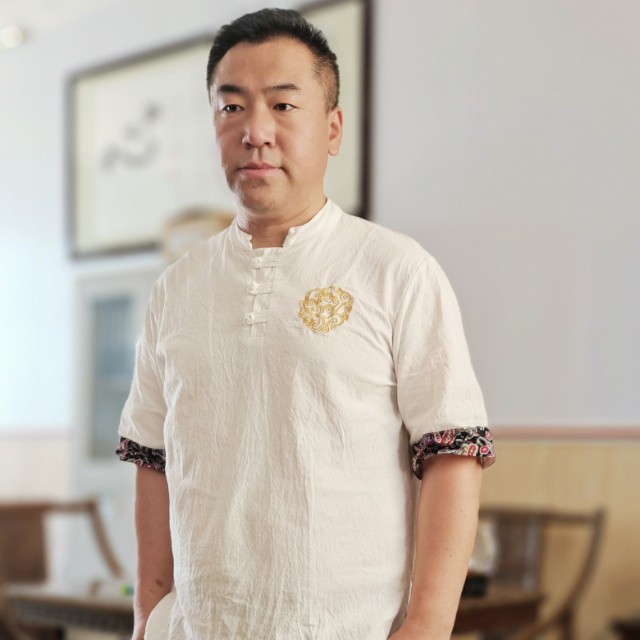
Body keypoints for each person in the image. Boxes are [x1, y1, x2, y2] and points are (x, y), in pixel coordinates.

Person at [117, 8, 495, 640]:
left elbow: (452, 452)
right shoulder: (175, 290)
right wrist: (148, 615)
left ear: (333, 128)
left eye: (283, 106)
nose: (255, 132)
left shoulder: (397, 270)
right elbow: (151, 458)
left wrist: (427, 626)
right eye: (231, 107)